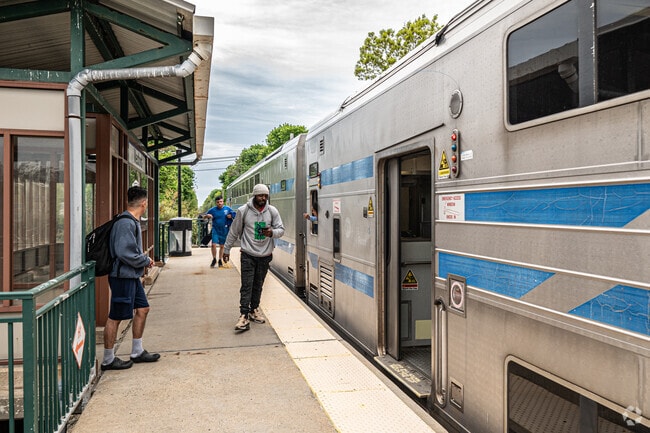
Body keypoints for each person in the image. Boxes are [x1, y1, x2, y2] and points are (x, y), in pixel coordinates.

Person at [101, 186, 160, 371]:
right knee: (116, 317)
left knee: (143, 309)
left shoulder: (129, 221)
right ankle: (108, 359)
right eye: (147, 203)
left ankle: (137, 351)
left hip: (131, 276)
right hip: (122, 277)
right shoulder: (125, 223)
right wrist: (145, 259)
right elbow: (125, 252)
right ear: (144, 203)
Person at [223, 184, 284, 331]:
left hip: (265, 256)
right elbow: (234, 231)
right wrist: (226, 249)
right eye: (260, 195)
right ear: (254, 196)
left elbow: (281, 229)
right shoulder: (243, 211)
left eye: (265, 195)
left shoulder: (272, 211)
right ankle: (243, 315)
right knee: (247, 285)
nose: (263, 198)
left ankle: (254, 310)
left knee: (258, 285)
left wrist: (272, 233)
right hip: (248, 255)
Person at [200, 195, 235, 267]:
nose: (220, 203)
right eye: (218, 202)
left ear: (223, 201)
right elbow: (204, 217)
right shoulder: (213, 210)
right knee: (213, 244)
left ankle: (220, 260)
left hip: (224, 230)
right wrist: (207, 216)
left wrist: (231, 215)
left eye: (221, 201)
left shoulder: (227, 209)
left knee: (222, 246)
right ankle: (214, 259)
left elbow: (235, 214)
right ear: (216, 203)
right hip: (215, 229)